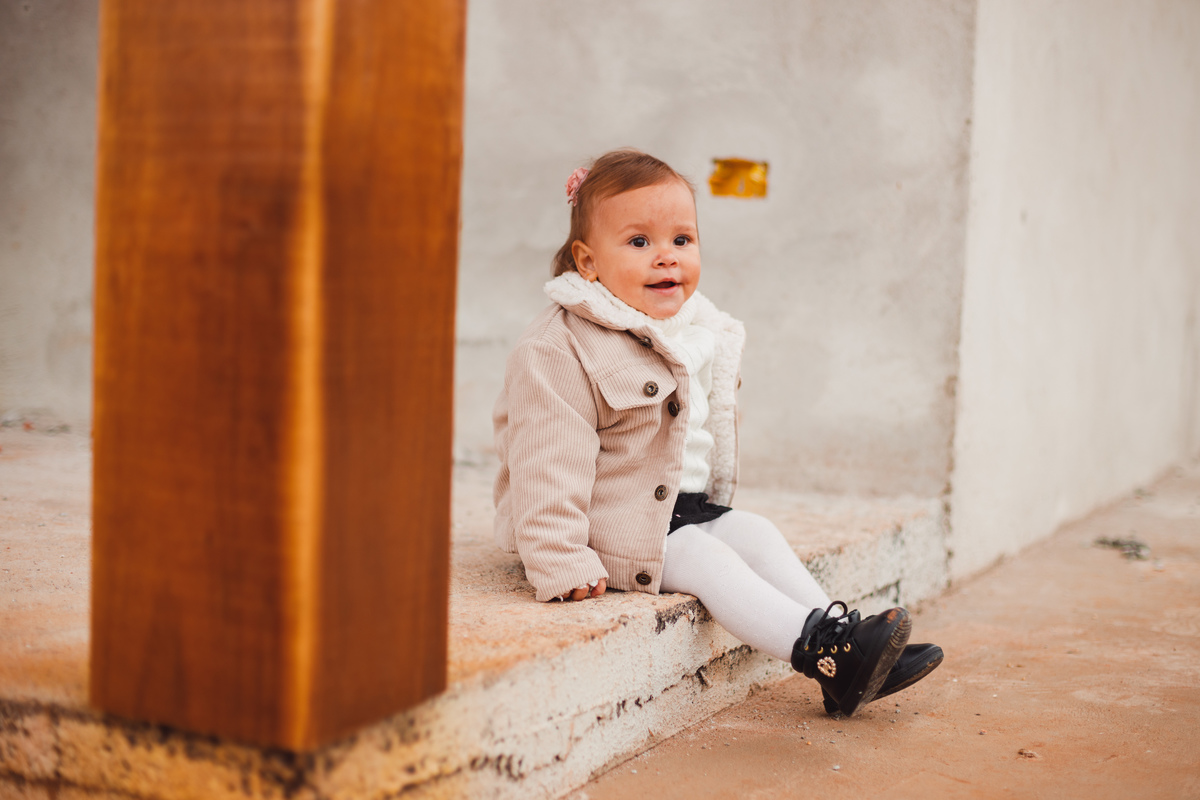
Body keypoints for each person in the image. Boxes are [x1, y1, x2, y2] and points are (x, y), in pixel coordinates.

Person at [493, 149, 942, 716]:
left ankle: (845, 643)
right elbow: (545, 462)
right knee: (710, 564)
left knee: (755, 534)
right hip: (610, 522)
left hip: (681, 508)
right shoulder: (558, 348)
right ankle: (826, 656)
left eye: (682, 240)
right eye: (639, 242)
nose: (666, 258)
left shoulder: (693, 329)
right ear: (586, 261)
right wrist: (560, 559)